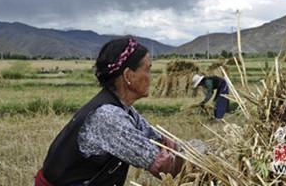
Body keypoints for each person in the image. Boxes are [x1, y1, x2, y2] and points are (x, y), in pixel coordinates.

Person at [35, 37, 183, 186]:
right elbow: (161, 165)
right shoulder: (107, 117)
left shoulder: (124, 109)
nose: (151, 78)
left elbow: (159, 141)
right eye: (148, 70)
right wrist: (195, 165)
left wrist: (175, 147)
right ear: (128, 76)